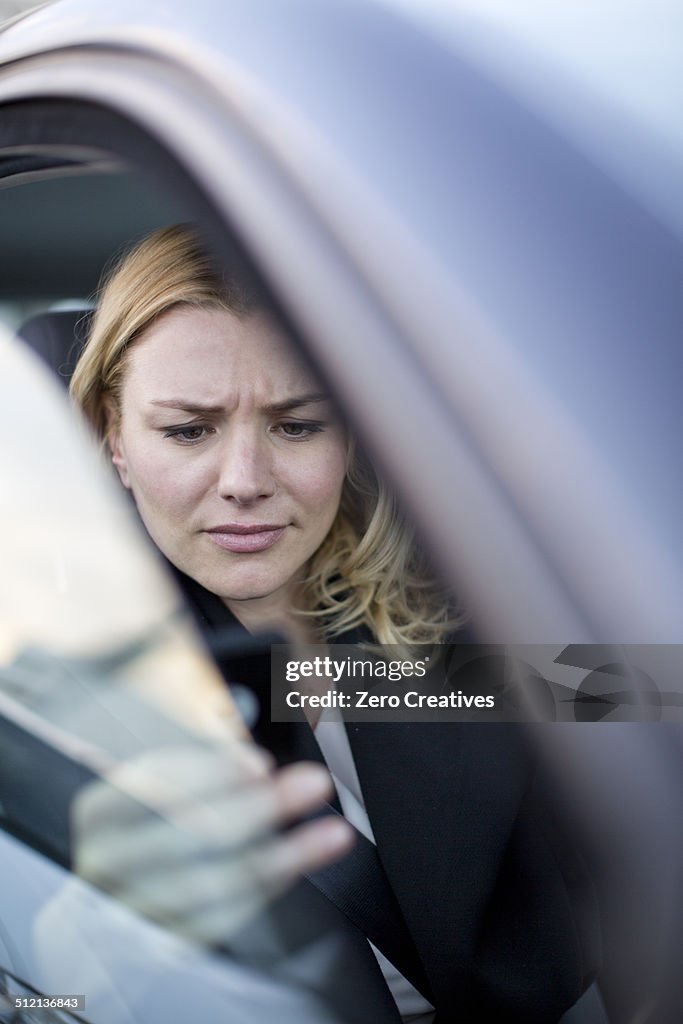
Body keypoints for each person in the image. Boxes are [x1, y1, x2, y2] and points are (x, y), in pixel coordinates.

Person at [70, 225, 600, 1023]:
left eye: (298, 424)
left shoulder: (475, 603)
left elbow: (637, 710)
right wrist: (89, 930)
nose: (244, 481)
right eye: (187, 431)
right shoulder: (50, 674)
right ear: (114, 438)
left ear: (352, 434)